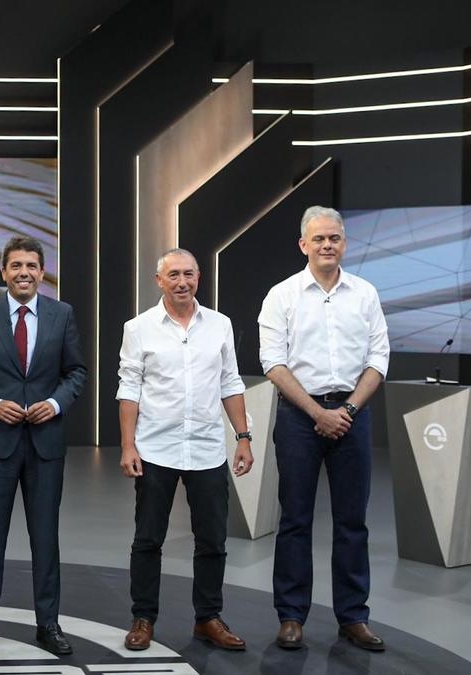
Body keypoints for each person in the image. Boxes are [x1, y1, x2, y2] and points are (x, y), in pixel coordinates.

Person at [259, 206, 389, 652]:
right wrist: (317, 412)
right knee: (295, 519)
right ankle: (291, 616)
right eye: (319, 239)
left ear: (345, 243)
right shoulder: (282, 295)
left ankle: (353, 616)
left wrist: (347, 409)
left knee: (353, 522)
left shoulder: (365, 294)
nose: (327, 245)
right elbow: (272, 362)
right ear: (303, 245)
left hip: (352, 415)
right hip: (300, 417)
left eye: (334, 237)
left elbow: (378, 359)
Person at [0, 235, 87, 656]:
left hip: (45, 446)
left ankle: (48, 624)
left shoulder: (61, 314)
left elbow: (76, 372)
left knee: (45, 537)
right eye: (16, 266)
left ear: (41, 273)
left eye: (31, 266)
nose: (24, 273)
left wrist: (53, 403)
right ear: (3, 272)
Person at [116, 248, 254, 652]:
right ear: (159, 281)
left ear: (198, 278)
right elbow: (129, 389)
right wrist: (128, 446)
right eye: (173, 274)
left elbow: (231, 382)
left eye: (189, 274)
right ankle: (143, 618)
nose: (182, 281)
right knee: (148, 539)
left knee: (212, 540)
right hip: (156, 448)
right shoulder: (138, 328)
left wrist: (243, 437)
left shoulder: (220, 325)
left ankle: (208, 618)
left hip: (208, 449)